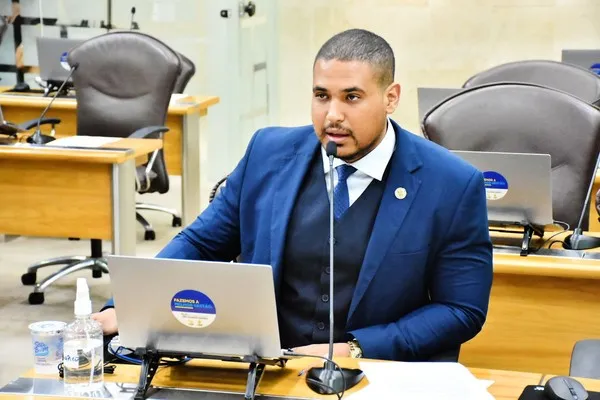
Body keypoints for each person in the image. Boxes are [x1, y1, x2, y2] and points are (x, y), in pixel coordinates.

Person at [94, 28, 493, 361]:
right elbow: (201, 242)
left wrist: (354, 348)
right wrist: (130, 305)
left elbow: (461, 310)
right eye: (322, 96)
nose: (333, 114)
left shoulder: (452, 184)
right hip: (266, 368)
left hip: (375, 373)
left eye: (351, 97)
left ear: (391, 98)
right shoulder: (268, 152)